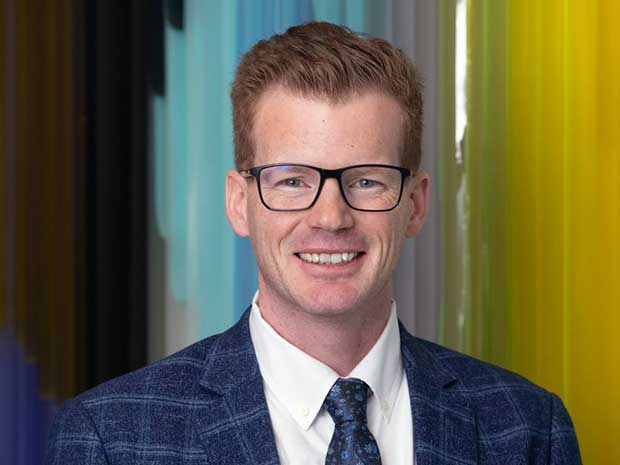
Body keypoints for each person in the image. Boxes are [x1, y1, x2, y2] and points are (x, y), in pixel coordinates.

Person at [46, 22, 581, 465]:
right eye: (292, 181)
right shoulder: (110, 437)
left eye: (366, 180)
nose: (331, 217)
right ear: (239, 203)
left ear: (415, 203)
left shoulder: (530, 428)